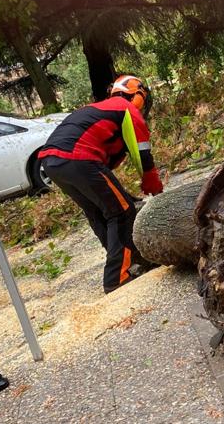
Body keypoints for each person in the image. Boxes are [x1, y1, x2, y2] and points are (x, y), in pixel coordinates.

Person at [39, 75, 163, 294]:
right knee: (121, 211)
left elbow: (108, 160)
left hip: (51, 162)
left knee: (98, 211)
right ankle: (117, 276)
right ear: (137, 95)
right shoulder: (127, 109)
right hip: (79, 158)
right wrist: (154, 186)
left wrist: (124, 193)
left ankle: (130, 262)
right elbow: (144, 155)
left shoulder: (100, 108)